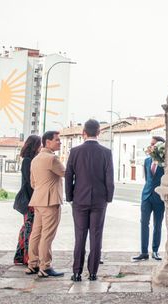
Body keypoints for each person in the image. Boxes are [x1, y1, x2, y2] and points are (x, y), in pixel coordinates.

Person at [66, 119, 115, 282]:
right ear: (99, 132)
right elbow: (109, 178)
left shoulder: (74, 151)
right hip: (99, 200)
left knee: (80, 236)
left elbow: (68, 176)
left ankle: (77, 272)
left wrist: (69, 196)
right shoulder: (106, 153)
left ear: (83, 133)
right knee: (96, 236)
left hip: (79, 199)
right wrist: (109, 198)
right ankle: (93, 272)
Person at [26, 131, 66, 278]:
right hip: (50, 201)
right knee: (47, 235)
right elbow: (66, 173)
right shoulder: (52, 158)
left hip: (38, 200)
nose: (59, 142)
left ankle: (33, 264)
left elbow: (33, 182)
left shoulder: (35, 159)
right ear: (48, 142)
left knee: (36, 234)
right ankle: (45, 266)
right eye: (57, 140)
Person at [132, 136, 165, 261]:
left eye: (153, 144)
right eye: (150, 144)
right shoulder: (146, 161)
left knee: (158, 225)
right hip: (146, 196)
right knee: (144, 223)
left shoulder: (165, 163)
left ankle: (155, 251)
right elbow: (147, 179)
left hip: (159, 198)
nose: (150, 146)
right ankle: (144, 252)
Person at [13, 135, 42, 265]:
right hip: (29, 200)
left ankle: (21, 256)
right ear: (34, 145)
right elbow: (29, 183)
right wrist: (34, 201)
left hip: (31, 199)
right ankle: (27, 257)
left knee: (26, 228)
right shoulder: (27, 161)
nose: (41, 147)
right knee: (30, 229)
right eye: (39, 144)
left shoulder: (31, 160)